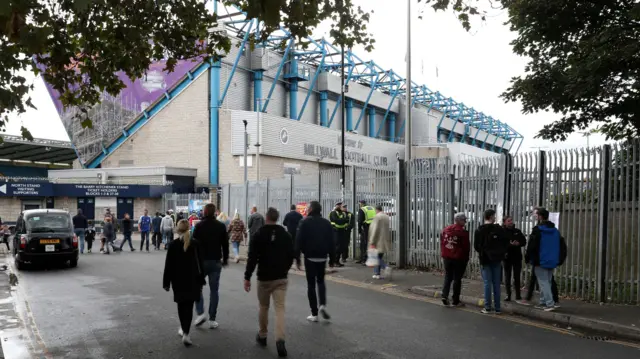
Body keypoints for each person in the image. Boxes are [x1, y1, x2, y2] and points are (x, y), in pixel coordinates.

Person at [244, 207, 294, 358]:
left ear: (266, 217)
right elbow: (290, 255)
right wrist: (285, 268)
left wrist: (247, 277)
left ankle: (263, 335)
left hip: (264, 277)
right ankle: (280, 339)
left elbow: (252, 258)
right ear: (277, 218)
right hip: (281, 277)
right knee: (280, 309)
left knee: (264, 307)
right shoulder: (285, 235)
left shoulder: (259, 234)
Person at [163, 219, 206, 347]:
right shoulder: (196, 244)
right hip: (193, 281)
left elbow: (168, 266)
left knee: (181, 307)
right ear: (189, 229)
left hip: (178, 281)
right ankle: (186, 333)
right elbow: (201, 264)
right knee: (189, 307)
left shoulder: (173, 245)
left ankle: (184, 329)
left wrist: (166, 282)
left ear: (177, 230)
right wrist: (202, 278)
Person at [295, 201, 335, 322]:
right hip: (322, 256)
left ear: (311, 209)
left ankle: (314, 313)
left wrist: (297, 258)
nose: (306, 209)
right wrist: (332, 258)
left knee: (311, 284)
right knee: (321, 281)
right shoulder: (326, 223)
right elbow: (332, 242)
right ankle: (322, 304)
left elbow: (299, 240)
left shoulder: (305, 222)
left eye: (307, 208)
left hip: (310, 257)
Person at [193, 203, 230, 329]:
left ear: (204, 212)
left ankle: (200, 313)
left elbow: (194, 245)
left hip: (201, 262)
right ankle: (212, 319)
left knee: (197, 288)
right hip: (215, 261)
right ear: (215, 212)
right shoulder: (220, 226)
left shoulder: (199, 226)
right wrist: (225, 259)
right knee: (214, 290)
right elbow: (225, 244)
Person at [525, 208, 567, 311]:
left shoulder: (537, 230)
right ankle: (543, 302)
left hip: (540, 260)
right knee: (547, 281)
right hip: (552, 260)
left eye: (536, 215)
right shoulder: (555, 231)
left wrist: (527, 258)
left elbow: (532, 246)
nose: (535, 217)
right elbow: (561, 245)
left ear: (540, 216)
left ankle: (549, 303)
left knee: (543, 282)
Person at [474, 208, 508, 314]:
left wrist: (483, 252)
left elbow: (476, 246)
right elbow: (505, 243)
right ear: (491, 216)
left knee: (487, 283)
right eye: (494, 216)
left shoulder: (480, 230)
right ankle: (498, 308)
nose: (495, 217)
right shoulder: (499, 229)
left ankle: (487, 307)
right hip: (497, 259)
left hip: (485, 259)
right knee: (496, 283)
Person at [440, 213, 471, 307]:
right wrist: (466, 258)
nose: (465, 221)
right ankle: (455, 300)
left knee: (448, 277)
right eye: (463, 220)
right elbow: (466, 247)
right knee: (457, 279)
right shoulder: (463, 233)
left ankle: (444, 295)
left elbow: (442, 242)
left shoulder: (446, 230)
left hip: (447, 257)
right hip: (459, 258)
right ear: (459, 220)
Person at [502, 215, 527, 302]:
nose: (511, 222)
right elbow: (501, 244)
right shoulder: (502, 232)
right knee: (507, 276)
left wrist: (518, 243)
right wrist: (509, 245)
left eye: (511, 220)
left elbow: (524, 241)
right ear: (504, 222)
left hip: (517, 257)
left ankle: (518, 295)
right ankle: (508, 295)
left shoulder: (517, 231)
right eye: (508, 221)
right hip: (507, 257)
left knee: (517, 276)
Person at [369, 205, 391, 279]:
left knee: (375, 257)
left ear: (376, 210)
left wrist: (372, 241)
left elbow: (375, 230)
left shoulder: (377, 217)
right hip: (384, 239)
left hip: (378, 240)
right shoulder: (386, 216)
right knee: (379, 256)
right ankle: (377, 273)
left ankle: (385, 266)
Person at [329, 202, 349, 267]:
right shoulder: (333, 213)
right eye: (339, 206)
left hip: (342, 231)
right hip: (335, 231)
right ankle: (334, 261)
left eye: (341, 206)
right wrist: (342, 220)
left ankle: (337, 261)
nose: (340, 207)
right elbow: (336, 220)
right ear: (336, 206)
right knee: (336, 247)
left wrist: (341, 220)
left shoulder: (343, 213)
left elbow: (347, 220)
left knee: (341, 247)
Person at [357, 200, 376, 265]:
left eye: (359, 204)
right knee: (370, 243)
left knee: (364, 244)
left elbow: (360, 221)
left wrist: (359, 230)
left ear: (361, 204)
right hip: (372, 227)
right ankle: (363, 258)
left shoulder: (362, 209)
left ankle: (364, 259)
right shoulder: (372, 208)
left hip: (365, 228)